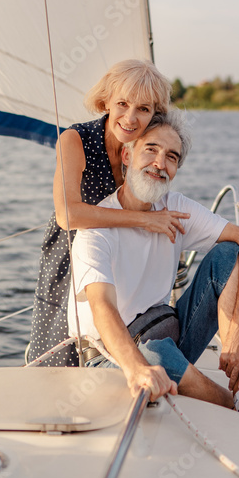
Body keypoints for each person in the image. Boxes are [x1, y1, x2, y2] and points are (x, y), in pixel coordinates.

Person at [68, 109, 239, 435]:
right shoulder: (96, 230)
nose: (160, 163)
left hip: (166, 333)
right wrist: (137, 368)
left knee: (229, 252)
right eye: (151, 150)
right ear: (127, 155)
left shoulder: (176, 208)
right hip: (112, 356)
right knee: (158, 353)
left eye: (171, 157)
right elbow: (102, 307)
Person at [29, 58, 189, 366]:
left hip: (118, 254)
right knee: (61, 356)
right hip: (70, 255)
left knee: (112, 343)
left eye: (143, 109)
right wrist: (144, 221)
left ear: (154, 114)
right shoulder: (75, 140)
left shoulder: (146, 146)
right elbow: (68, 215)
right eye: (122, 104)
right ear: (106, 102)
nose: (130, 118)